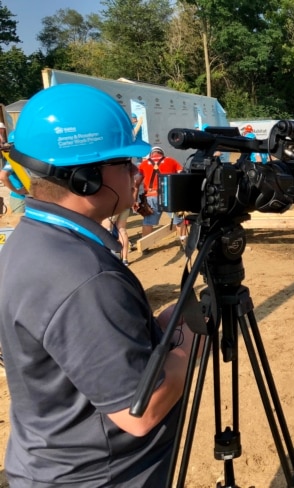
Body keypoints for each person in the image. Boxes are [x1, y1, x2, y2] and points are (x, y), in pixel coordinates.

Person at [0, 83, 197, 486]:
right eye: (125, 162)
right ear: (86, 178)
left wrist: (150, 333)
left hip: (53, 462)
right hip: (99, 475)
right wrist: (190, 344)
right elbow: (140, 411)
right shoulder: (85, 277)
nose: (134, 173)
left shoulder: (30, 242)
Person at [134, 146, 187, 245]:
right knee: (179, 221)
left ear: (151, 154)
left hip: (151, 196)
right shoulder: (171, 160)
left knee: (148, 222)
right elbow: (182, 175)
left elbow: (136, 183)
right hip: (169, 196)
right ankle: (183, 242)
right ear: (162, 153)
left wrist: (134, 200)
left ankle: (145, 246)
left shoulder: (144, 164)